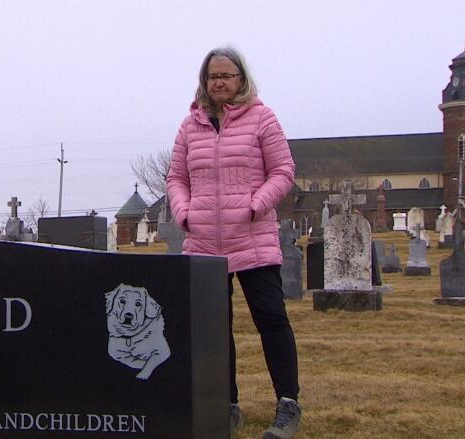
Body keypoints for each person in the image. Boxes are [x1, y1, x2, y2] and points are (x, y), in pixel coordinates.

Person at [166, 47, 301, 439]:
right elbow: (176, 177)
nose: (219, 82)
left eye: (226, 75)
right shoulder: (190, 126)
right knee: (213, 330)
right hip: (204, 244)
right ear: (204, 82)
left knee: (271, 320)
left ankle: (288, 405)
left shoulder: (262, 118)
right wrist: (185, 213)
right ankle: (224, 406)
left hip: (253, 239)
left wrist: (257, 205)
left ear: (241, 79)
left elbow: (283, 170)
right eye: (212, 77)